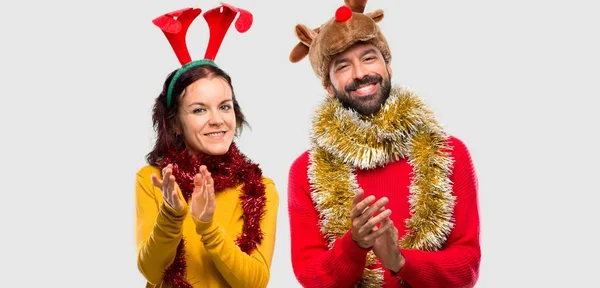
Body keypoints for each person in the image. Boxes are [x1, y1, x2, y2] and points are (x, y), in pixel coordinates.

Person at [286, 0, 481, 287]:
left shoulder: (448, 153)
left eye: (369, 58)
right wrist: (354, 244)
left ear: (388, 66)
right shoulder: (306, 170)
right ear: (329, 86)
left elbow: (467, 268)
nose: (360, 73)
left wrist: (399, 261)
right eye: (343, 66)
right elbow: (311, 276)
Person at [135, 4, 279, 288]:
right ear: (175, 123)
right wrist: (171, 214)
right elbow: (151, 272)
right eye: (199, 110)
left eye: (224, 106)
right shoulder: (152, 179)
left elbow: (255, 282)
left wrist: (207, 226)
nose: (217, 120)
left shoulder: (261, 188)